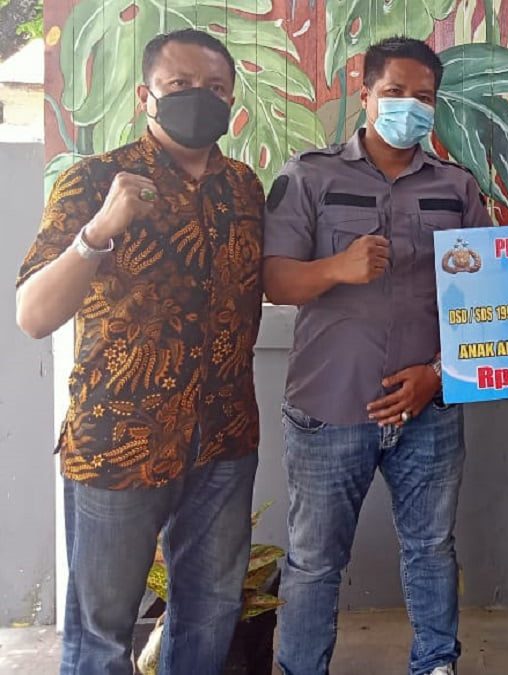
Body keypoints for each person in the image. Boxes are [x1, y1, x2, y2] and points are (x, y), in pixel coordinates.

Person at [15, 29, 263, 675]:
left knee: (209, 611)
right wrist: (98, 231)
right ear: (144, 95)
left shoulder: (243, 186)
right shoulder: (93, 180)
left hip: (224, 438)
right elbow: (33, 315)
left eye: (215, 88)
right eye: (181, 85)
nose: (199, 97)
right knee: (102, 632)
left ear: (231, 101)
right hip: (120, 440)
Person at [263, 36, 491, 675]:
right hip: (330, 407)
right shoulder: (310, 176)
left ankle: (436, 664)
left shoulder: (455, 187)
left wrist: (437, 376)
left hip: (428, 407)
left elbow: (488, 297)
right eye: (394, 92)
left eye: (424, 96)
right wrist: (336, 267)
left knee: (432, 550)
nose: (409, 106)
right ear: (365, 96)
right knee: (314, 560)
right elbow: (274, 281)